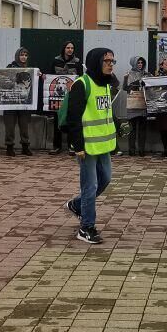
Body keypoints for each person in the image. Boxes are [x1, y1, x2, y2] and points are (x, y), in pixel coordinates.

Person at [62, 47, 118, 245]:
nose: (111, 64)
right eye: (107, 61)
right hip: (86, 146)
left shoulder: (105, 84)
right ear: (96, 62)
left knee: (106, 179)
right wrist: (77, 145)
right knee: (90, 185)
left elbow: (105, 113)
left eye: (112, 61)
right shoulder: (81, 84)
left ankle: (77, 205)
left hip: (103, 144)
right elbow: (73, 117)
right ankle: (86, 227)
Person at [47, 41, 82, 154]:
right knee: (57, 121)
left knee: (72, 121)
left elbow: (80, 78)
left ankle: (71, 146)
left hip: (71, 97)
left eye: (72, 48)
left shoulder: (77, 62)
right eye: (68, 47)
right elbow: (50, 77)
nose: (70, 50)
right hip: (57, 97)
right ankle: (56, 146)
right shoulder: (56, 61)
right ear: (64, 49)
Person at [2, 48, 33, 157]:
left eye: (26, 55)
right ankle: (9, 147)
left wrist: (39, 76)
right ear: (17, 56)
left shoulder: (30, 70)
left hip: (24, 104)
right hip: (10, 103)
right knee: (9, 127)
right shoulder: (9, 67)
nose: (24, 57)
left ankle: (25, 146)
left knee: (24, 126)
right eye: (21, 55)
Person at [124, 56, 150, 156]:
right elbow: (125, 88)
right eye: (138, 63)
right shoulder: (129, 74)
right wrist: (126, 79)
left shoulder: (146, 74)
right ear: (134, 63)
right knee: (132, 129)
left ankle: (141, 150)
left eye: (141, 63)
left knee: (142, 130)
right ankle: (131, 150)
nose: (140, 64)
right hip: (132, 105)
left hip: (142, 104)